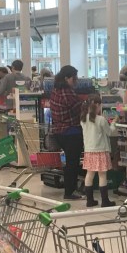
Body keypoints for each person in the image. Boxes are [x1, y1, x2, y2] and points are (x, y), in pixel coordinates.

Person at [50, 65, 84, 200]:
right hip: (71, 131)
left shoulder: (55, 90)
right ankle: (69, 192)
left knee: (69, 162)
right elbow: (79, 109)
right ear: (66, 78)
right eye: (73, 78)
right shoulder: (67, 92)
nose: (75, 81)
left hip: (59, 131)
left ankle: (70, 188)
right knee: (73, 163)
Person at [79, 93, 116, 208]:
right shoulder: (101, 119)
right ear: (98, 105)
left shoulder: (83, 119)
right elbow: (110, 132)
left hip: (89, 151)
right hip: (100, 150)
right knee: (102, 175)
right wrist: (114, 123)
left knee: (89, 174)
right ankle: (105, 201)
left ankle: (90, 200)